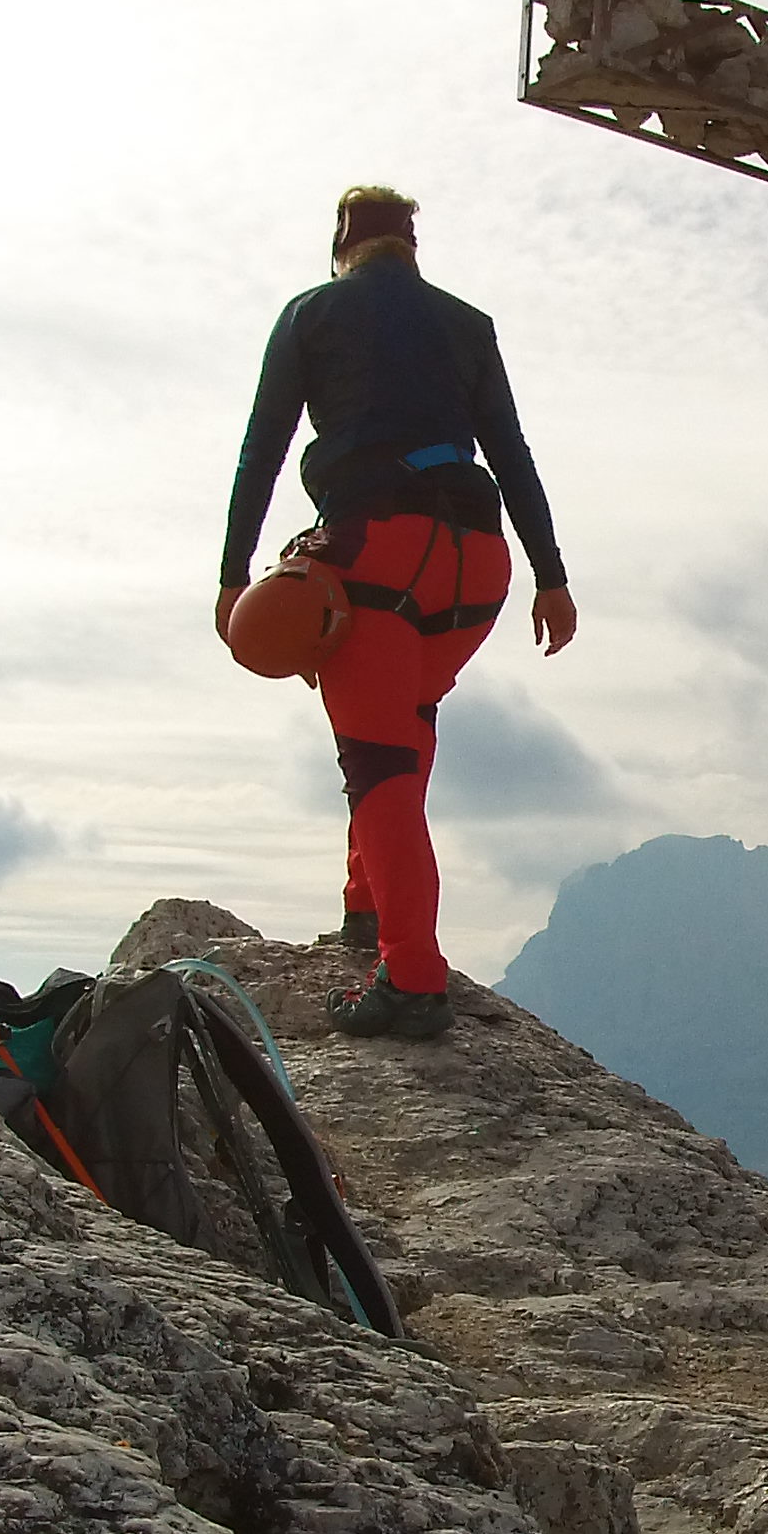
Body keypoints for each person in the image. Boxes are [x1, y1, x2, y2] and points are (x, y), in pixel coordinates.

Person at [220, 185, 578, 1042]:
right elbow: (511, 452)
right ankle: (367, 905)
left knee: (378, 765)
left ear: (343, 245)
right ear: (412, 246)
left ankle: (412, 978)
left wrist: (233, 575)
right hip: (476, 565)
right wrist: (552, 576)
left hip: (375, 552)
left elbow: (262, 450)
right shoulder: (467, 323)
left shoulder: (311, 313)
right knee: (404, 727)